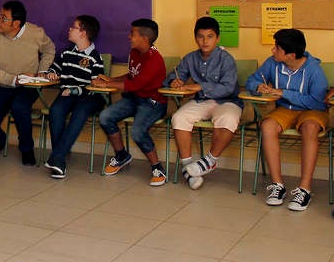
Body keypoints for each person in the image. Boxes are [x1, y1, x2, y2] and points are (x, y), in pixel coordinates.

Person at [245, 28, 329, 211]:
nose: (272, 51)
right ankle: (277, 186)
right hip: (285, 110)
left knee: (310, 128)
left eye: (277, 48)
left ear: (290, 55)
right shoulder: (272, 63)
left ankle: (304, 189)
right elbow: (251, 80)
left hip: (312, 110)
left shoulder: (314, 70)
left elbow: (317, 101)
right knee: (267, 126)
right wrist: (258, 87)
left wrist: (284, 93)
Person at [165, 16, 240, 190]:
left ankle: (210, 161)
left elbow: (228, 88)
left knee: (228, 119)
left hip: (226, 101)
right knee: (179, 117)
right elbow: (175, 75)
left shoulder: (226, 59)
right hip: (202, 101)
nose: (205, 41)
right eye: (200, 36)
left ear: (218, 38)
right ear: (195, 38)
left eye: (210, 36)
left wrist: (199, 86)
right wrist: (174, 82)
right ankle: (188, 168)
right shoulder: (190, 58)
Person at [0, 0, 55, 166]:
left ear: (16, 23)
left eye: (3, 18)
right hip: (3, 85)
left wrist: (41, 71)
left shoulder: (35, 33)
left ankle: (26, 149)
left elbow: (49, 50)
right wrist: (13, 79)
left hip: (28, 87)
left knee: (19, 107)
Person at [94, 18, 168, 186]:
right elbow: (131, 76)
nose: (129, 37)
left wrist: (107, 84)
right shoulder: (134, 52)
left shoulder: (154, 59)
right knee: (105, 116)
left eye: (132, 34)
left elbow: (134, 84)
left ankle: (158, 168)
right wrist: (110, 79)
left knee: (137, 131)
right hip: (135, 98)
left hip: (153, 103)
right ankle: (121, 155)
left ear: (145, 38)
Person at [43, 15, 105, 178]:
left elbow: (95, 85)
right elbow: (55, 68)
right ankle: (59, 157)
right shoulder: (66, 53)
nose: (69, 29)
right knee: (55, 110)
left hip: (89, 96)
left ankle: (57, 157)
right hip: (67, 93)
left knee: (80, 112)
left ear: (83, 33)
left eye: (73, 27)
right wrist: (51, 74)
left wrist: (75, 90)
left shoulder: (95, 57)